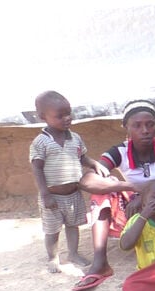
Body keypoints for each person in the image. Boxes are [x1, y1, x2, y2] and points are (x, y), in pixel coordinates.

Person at [74, 100, 155, 291]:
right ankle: (100, 263)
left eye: (150, 124)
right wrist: (133, 187)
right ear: (127, 128)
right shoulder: (120, 151)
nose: (145, 130)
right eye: (137, 125)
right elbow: (87, 181)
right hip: (134, 208)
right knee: (100, 196)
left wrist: (148, 193)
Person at [29, 91, 110, 273]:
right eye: (60, 116)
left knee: (73, 226)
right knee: (52, 230)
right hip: (53, 196)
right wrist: (45, 194)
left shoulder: (74, 138)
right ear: (43, 117)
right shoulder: (41, 142)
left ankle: (73, 253)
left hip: (74, 194)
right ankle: (53, 258)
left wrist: (95, 164)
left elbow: (82, 157)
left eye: (69, 113)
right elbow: (37, 169)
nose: (67, 118)